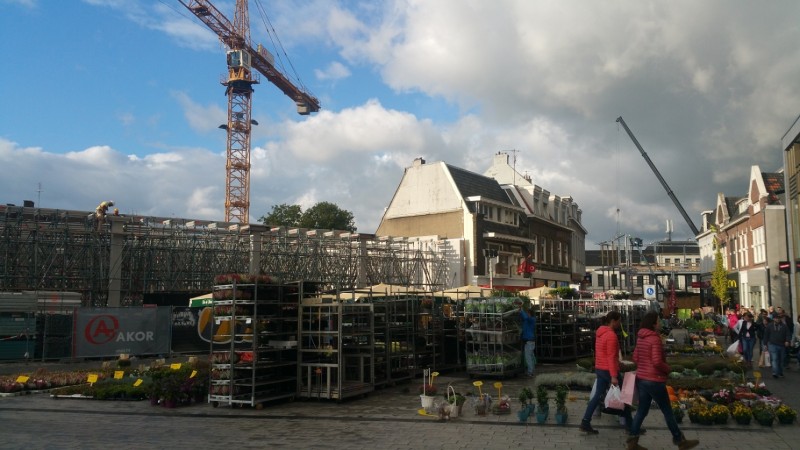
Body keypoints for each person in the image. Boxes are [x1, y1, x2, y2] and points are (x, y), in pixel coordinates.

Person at [627, 312, 699, 450]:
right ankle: (680, 441)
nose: (660, 323)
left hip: (642, 379)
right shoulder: (654, 339)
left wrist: (643, 366)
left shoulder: (640, 338)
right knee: (667, 411)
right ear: (653, 324)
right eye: (658, 321)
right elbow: (656, 361)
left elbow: (635, 357)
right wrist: (667, 369)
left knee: (642, 411)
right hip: (654, 380)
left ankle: (632, 442)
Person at [579, 311, 633, 435]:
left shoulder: (600, 333)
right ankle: (631, 426)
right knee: (625, 395)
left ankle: (585, 421)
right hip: (609, 370)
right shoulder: (611, 336)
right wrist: (614, 376)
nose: (620, 324)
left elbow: (604, 354)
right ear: (613, 321)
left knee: (597, 396)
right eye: (619, 321)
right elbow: (610, 356)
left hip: (600, 368)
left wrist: (619, 364)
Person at [762, 313, 791, 378]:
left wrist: (787, 340)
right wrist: (765, 344)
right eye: (776, 318)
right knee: (774, 359)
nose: (777, 319)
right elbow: (766, 335)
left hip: (782, 345)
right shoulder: (770, 326)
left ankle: (780, 372)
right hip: (772, 344)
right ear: (773, 319)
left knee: (781, 359)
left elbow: (788, 334)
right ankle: (775, 372)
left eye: (778, 318)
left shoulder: (784, 326)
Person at [519, 301, 537, 377]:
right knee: (530, 356)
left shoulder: (531, 319)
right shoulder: (528, 320)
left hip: (529, 341)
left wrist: (521, 310)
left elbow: (525, 317)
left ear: (530, 314)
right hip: (529, 341)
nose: (527, 314)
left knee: (528, 357)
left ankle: (530, 372)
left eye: (528, 313)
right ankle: (531, 370)